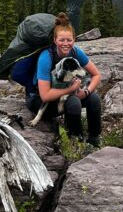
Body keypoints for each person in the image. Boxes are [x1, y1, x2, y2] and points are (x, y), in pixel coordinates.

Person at [26, 12, 102, 146]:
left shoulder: (76, 52)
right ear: (55, 40)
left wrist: (86, 92)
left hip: (64, 95)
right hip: (39, 101)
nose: (65, 44)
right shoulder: (46, 57)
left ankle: (94, 139)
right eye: (61, 40)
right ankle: (76, 142)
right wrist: (70, 89)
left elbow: (96, 75)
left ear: (74, 40)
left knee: (94, 99)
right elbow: (45, 96)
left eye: (69, 40)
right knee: (73, 102)